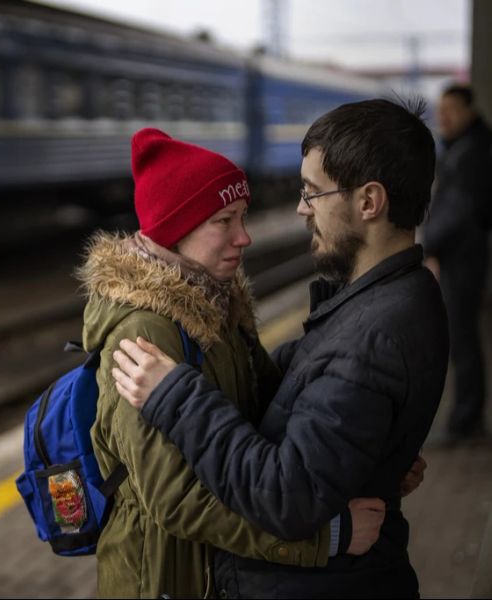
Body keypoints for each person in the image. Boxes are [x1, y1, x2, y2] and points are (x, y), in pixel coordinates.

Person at [111, 100, 448, 598]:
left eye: (313, 192)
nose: (300, 208)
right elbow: (293, 397)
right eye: (223, 221)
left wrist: (176, 396)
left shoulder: (371, 334)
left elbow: (287, 494)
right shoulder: (391, 299)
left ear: (369, 202)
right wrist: (371, 458)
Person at [423, 84, 492, 443]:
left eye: (450, 108)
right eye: (440, 108)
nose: (443, 116)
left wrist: (428, 245)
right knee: (463, 339)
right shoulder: (464, 148)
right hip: (462, 255)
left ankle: (466, 422)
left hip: (465, 258)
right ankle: (467, 418)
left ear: (469, 110)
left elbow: (459, 211)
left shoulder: (472, 153)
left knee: (463, 339)